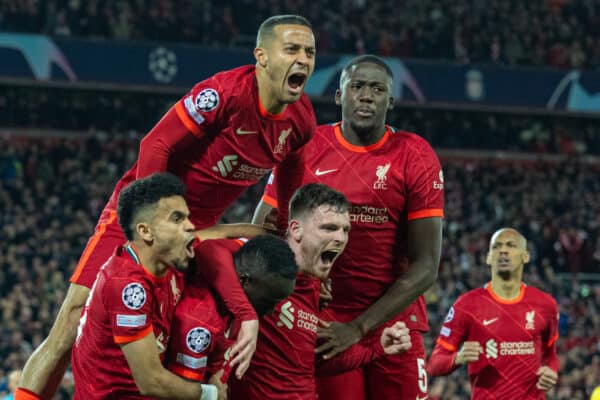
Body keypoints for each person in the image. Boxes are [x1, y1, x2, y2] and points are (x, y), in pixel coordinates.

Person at [17, 14, 317, 399]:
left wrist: (288, 239)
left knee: (177, 334)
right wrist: (149, 221)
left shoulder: (301, 120)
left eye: (309, 52)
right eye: (291, 49)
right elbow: (154, 146)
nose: (303, 60)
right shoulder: (222, 95)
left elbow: (289, 181)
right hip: (146, 213)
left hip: (199, 229)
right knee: (73, 320)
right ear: (261, 56)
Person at [252, 55, 444, 399]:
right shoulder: (306, 148)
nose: (366, 96)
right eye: (356, 86)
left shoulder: (415, 155)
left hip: (393, 323)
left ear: (391, 101)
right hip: (326, 324)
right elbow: (262, 230)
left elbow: (427, 266)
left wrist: (359, 327)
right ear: (339, 95)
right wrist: (297, 287)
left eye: (377, 89)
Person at [229, 183, 413, 399]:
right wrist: (247, 315)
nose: (341, 238)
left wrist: (377, 348)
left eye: (345, 229)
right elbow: (207, 247)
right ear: (296, 229)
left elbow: (307, 360)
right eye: (329, 228)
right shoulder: (257, 265)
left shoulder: (315, 288)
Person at [68, 173, 216, 398]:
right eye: (177, 219)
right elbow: (151, 381)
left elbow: (223, 235)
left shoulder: (167, 257)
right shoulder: (128, 286)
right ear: (145, 231)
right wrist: (211, 395)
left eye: (187, 217)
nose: (190, 226)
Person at [427, 228, 559, 399]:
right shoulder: (466, 305)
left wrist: (551, 370)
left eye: (511, 245)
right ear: (489, 258)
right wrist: (458, 358)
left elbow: (551, 354)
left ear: (525, 256)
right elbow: (434, 364)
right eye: (496, 246)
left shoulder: (545, 304)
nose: (503, 250)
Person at [165, 234, 299, 397]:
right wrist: (214, 393)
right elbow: (181, 392)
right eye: (268, 301)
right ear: (244, 280)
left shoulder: (238, 291)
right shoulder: (200, 322)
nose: (271, 311)